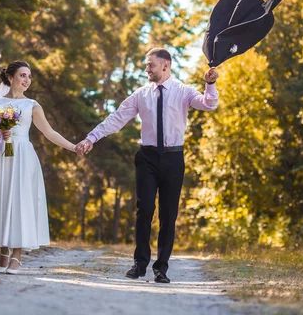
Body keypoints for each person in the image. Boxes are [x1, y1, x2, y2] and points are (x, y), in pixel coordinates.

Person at [76, 47, 219, 283]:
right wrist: (91, 138)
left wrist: (210, 84)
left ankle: (161, 268)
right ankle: (139, 264)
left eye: (150, 65)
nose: (146, 69)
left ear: (165, 65)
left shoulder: (183, 92)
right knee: (144, 211)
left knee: (168, 215)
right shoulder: (141, 95)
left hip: (173, 158)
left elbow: (208, 104)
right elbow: (117, 118)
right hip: (147, 158)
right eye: (146, 65)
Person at [0, 60, 78, 274]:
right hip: (1, 154)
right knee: (2, 198)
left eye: (29, 76)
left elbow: (50, 133)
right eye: (23, 75)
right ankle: (3, 250)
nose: (27, 80)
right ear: (10, 77)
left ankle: (17, 254)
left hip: (23, 157)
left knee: (20, 201)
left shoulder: (32, 105)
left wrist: (73, 147)